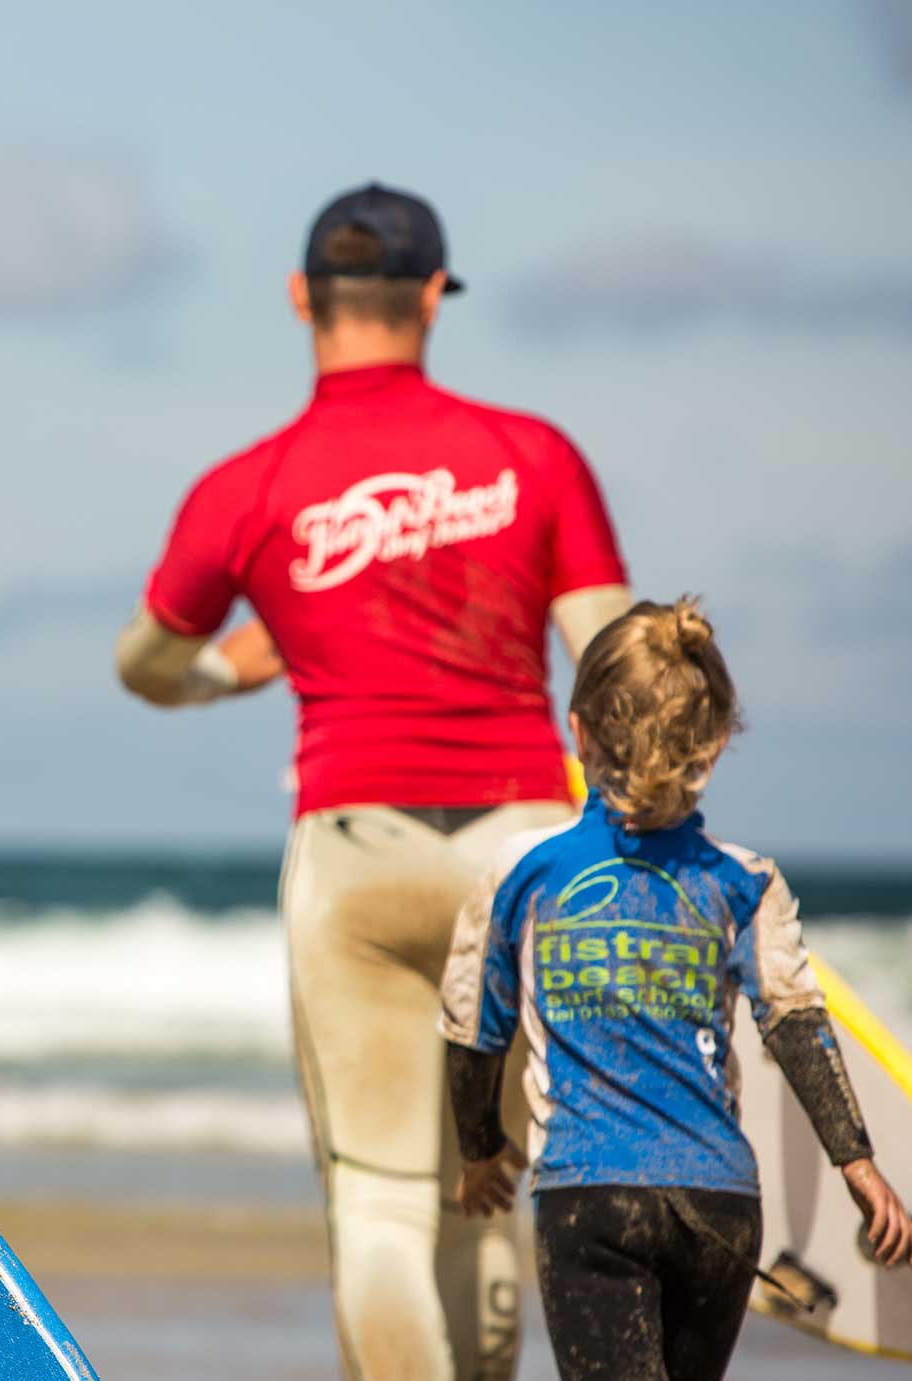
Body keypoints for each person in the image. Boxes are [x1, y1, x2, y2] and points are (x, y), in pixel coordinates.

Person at [116, 182, 633, 1379]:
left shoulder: (252, 484)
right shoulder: (532, 456)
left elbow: (141, 662)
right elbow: (614, 671)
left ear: (301, 298)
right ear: (432, 301)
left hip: (352, 856)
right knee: (485, 1182)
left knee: (381, 1205)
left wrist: (224, 673)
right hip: (519, 853)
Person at [440, 598, 912, 1380]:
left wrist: (479, 1148)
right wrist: (858, 1164)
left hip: (592, 1197)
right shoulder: (744, 880)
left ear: (578, 729)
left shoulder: (521, 872)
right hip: (720, 1206)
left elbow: (473, 1027)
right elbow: (797, 1022)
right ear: (715, 745)